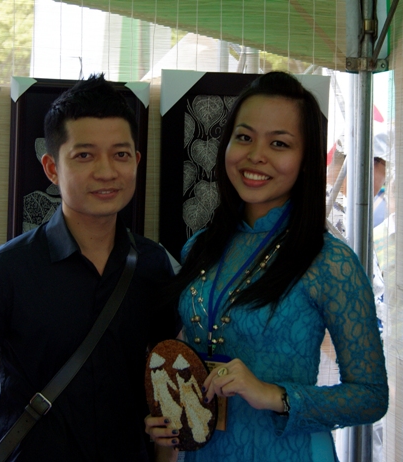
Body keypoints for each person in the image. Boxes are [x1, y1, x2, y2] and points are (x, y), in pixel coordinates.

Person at [0, 75, 179, 462]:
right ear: (51, 168)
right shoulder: (5, 270)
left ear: (136, 161)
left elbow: (168, 383)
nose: (106, 171)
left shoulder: (154, 265)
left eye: (120, 154)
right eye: (84, 155)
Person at [146, 71, 388, 462]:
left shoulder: (331, 261)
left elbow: (371, 397)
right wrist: (170, 416)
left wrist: (272, 394)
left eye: (279, 143)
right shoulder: (199, 248)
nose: (256, 155)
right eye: (244, 137)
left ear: (306, 159)